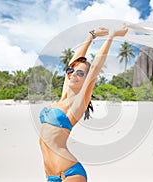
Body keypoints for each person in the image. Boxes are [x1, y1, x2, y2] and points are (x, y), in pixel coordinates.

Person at [39, 24, 128, 182]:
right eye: (71, 72)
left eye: (80, 73)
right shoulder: (64, 96)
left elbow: (94, 68)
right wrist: (90, 37)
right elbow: (74, 63)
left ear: (87, 79)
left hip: (70, 173)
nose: (74, 75)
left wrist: (111, 36)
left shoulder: (79, 102)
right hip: (51, 176)